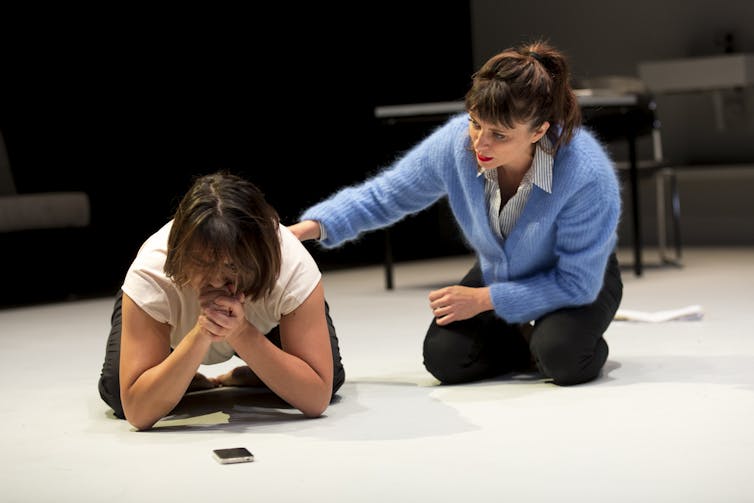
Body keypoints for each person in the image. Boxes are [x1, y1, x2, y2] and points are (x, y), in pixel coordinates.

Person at [289, 40, 623, 386]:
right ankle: (526, 339)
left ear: (538, 131)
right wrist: (308, 228)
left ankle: (558, 340)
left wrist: (484, 299)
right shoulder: (456, 144)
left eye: (499, 135)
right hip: (505, 268)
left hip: (582, 274)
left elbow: (577, 282)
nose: (480, 144)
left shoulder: (585, 171)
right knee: (446, 359)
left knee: (562, 357)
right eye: (475, 123)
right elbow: (386, 194)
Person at [98, 172, 345, 430]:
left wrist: (240, 332)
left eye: (232, 266)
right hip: (174, 330)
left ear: (258, 259)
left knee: (331, 379)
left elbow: (316, 398)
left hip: (264, 325)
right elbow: (138, 411)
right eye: (202, 263)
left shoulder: (290, 263)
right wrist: (201, 333)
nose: (216, 282)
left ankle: (255, 375)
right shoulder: (152, 271)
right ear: (181, 256)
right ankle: (184, 378)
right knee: (118, 392)